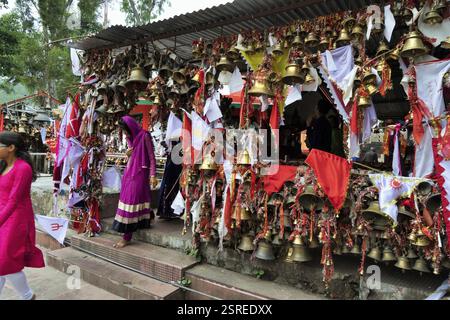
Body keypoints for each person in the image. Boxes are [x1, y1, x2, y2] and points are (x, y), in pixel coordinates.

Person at [0, 131, 45, 300]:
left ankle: (27, 296)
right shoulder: (3, 165)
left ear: (11, 148)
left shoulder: (22, 168)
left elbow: (13, 201)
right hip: (4, 216)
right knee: (1, 261)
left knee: (6, 261)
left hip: (16, 220)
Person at [112, 116, 158, 248]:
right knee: (136, 199)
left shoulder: (144, 136)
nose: (125, 133)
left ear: (130, 127)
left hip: (140, 174)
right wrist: (128, 153)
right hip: (128, 173)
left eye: (126, 130)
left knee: (131, 202)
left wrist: (153, 175)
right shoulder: (129, 137)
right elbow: (133, 154)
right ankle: (145, 220)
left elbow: (152, 158)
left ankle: (126, 237)